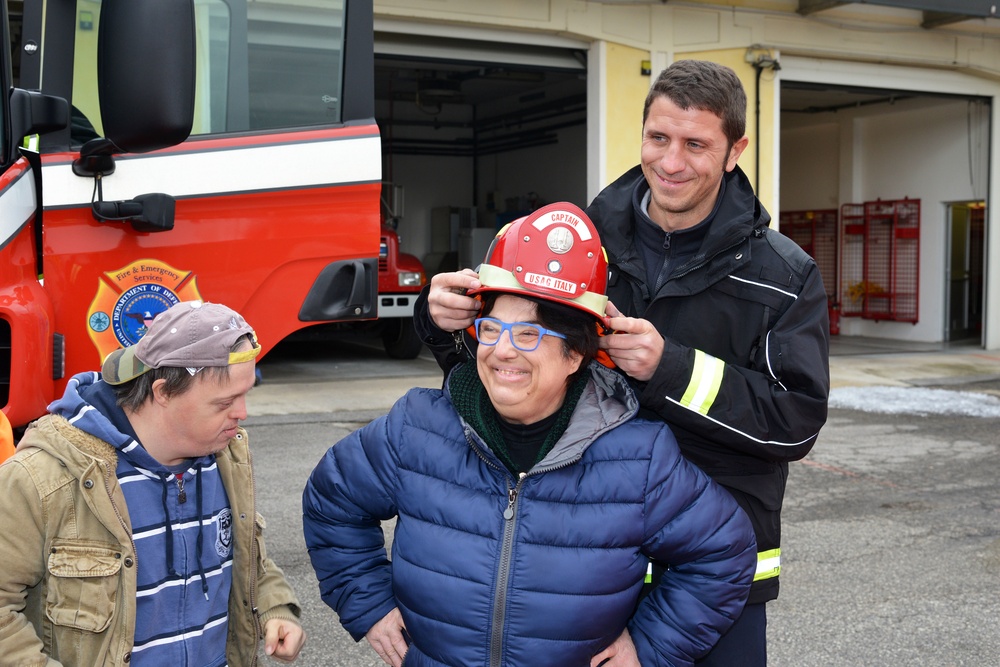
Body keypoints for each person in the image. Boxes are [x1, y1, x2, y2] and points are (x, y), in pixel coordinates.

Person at [414, 60, 830, 666]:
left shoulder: (783, 276)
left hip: (714, 573)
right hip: (583, 559)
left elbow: (796, 422)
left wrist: (672, 370)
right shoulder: (574, 247)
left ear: (735, 150)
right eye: (658, 138)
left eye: (696, 144)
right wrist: (440, 321)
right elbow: (503, 378)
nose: (671, 162)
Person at [303, 203, 757, 667]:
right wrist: (370, 605)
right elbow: (332, 500)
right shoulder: (419, 427)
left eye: (529, 334)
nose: (501, 350)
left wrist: (650, 646)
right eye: (493, 328)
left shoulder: (637, 458)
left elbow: (724, 553)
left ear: (577, 354)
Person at [0, 300, 306, 665]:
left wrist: (275, 608)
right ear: (162, 392)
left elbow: (247, 556)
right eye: (225, 402)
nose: (242, 414)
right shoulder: (42, 478)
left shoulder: (228, 458)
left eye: (245, 395)